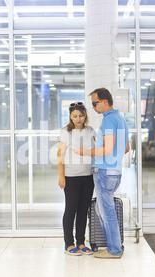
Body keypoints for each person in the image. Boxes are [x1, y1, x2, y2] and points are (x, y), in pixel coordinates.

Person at [76, 88, 130, 259]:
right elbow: (127, 148)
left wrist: (86, 152)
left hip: (105, 172)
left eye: (95, 103)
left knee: (107, 212)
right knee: (105, 211)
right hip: (115, 171)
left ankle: (114, 250)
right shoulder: (121, 119)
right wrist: (113, 160)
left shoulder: (108, 121)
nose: (93, 107)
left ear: (105, 101)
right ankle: (113, 246)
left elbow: (106, 149)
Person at [57, 102, 96, 256]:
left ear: (85, 115)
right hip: (71, 176)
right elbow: (60, 155)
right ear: (70, 116)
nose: (78, 119)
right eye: (75, 116)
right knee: (70, 210)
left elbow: (96, 150)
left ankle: (81, 242)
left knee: (83, 211)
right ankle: (69, 244)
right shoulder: (65, 131)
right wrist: (61, 176)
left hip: (88, 176)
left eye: (81, 116)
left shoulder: (90, 131)